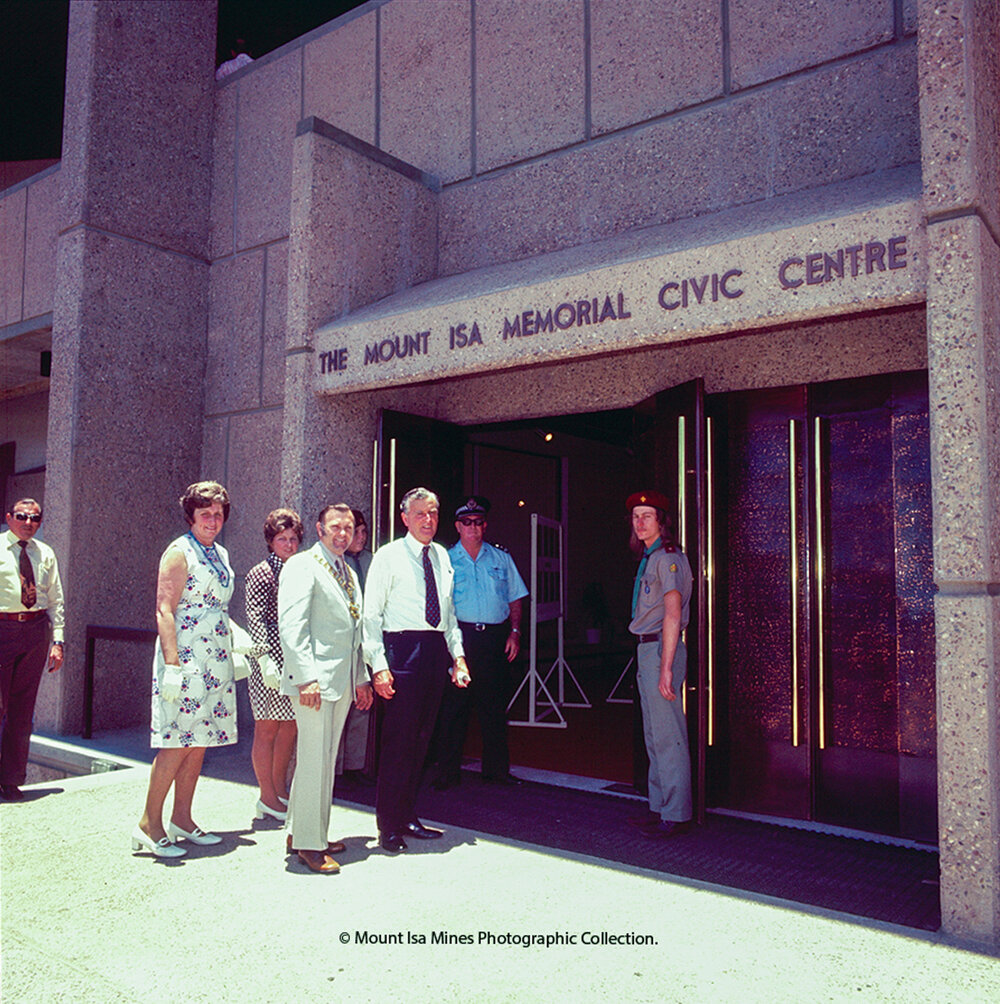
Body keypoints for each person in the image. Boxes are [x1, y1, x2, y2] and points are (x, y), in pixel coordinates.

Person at [362, 487, 470, 852]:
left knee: (423, 741)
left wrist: (457, 657)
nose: (428, 520)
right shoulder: (388, 556)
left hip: (434, 651)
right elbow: (371, 616)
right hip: (402, 651)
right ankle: (387, 826)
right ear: (405, 518)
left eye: (434, 513)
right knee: (398, 744)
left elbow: (449, 613)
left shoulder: (441, 555)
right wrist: (379, 667)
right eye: (421, 514)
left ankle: (408, 814)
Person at [133, 482, 236, 857]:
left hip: (214, 659)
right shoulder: (179, 552)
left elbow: (218, 606)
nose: (213, 520)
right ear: (191, 515)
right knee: (177, 741)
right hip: (186, 657)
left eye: (218, 513)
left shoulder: (220, 553)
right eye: (205, 513)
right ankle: (149, 823)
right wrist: (173, 665)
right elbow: (164, 609)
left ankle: (182, 818)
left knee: (200, 741)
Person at [278, 503, 373, 874]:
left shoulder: (346, 570)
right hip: (314, 683)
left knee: (321, 760)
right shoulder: (303, 565)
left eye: (348, 528)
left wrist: (361, 678)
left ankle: (300, 830)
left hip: (341, 682)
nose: (342, 533)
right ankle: (309, 844)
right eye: (335, 526)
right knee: (316, 760)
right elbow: (293, 626)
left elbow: (354, 633)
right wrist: (306, 678)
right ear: (319, 529)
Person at [432, 495, 527, 789]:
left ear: (485, 526)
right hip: (460, 639)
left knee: (494, 708)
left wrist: (515, 632)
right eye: (467, 523)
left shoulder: (501, 558)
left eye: (478, 523)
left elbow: (515, 598)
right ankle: (447, 774)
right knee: (454, 709)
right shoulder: (445, 559)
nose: (473, 528)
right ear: (458, 526)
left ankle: (496, 771)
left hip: (495, 640)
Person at [626, 490, 694, 839]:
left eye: (647, 515)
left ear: (661, 521)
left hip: (659, 651)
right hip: (647, 651)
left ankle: (677, 813)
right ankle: (659, 808)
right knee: (654, 735)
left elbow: (671, 615)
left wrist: (666, 667)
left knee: (669, 736)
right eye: (636, 516)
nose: (640, 522)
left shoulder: (668, 558)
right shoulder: (649, 559)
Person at [0, 499, 64, 801]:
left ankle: (11, 780)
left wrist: (58, 642)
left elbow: (56, 600)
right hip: (3, 629)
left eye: (35, 518)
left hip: (35, 631)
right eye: (22, 517)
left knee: (22, 710)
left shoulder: (45, 553)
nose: (28, 522)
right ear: (9, 517)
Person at [245, 508, 303, 823]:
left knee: (290, 726)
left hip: (294, 658)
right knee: (267, 727)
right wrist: (265, 658)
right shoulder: (261, 572)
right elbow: (255, 617)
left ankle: (279, 791)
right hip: (268, 659)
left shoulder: (299, 570)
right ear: (271, 541)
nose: (289, 544)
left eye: (293, 538)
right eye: (282, 538)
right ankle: (266, 796)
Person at [337, 508, 374, 783]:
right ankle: (335, 768)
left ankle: (354, 765)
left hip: (365, 640)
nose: (360, 538)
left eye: (364, 532)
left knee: (363, 704)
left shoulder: (371, 561)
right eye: (356, 532)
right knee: (339, 708)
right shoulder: (335, 562)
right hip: (341, 642)